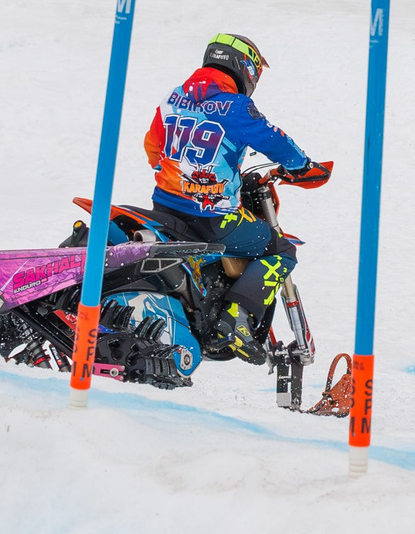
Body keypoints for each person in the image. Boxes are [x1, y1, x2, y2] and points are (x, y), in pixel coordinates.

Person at [141, 33, 331, 360]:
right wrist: (303, 166)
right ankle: (236, 318)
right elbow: (276, 141)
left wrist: (178, 171)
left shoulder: (173, 98)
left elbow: (153, 147)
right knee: (279, 249)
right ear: (245, 68)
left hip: (164, 207)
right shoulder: (236, 106)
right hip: (213, 219)